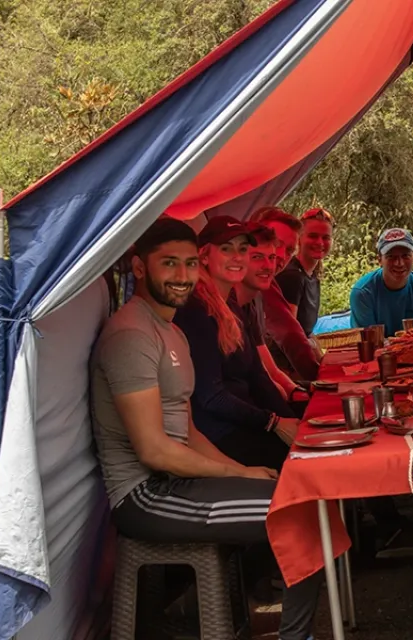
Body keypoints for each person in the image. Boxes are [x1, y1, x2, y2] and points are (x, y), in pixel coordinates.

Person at [90, 218, 320, 640]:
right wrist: (236, 471)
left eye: (190, 264)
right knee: (299, 518)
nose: (182, 275)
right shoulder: (131, 335)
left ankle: (237, 620)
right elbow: (155, 451)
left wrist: (243, 471)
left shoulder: (171, 331)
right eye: (169, 263)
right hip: (147, 496)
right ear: (139, 268)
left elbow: (189, 430)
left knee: (307, 500)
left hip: (180, 482)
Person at [173, 216, 297, 471]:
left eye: (242, 249)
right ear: (204, 256)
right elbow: (211, 397)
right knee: (305, 463)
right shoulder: (196, 309)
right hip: (219, 436)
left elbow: (257, 375)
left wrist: (293, 421)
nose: (237, 257)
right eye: (226, 249)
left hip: (247, 423)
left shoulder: (230, 303)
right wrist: (273, 422)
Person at [248, 206, 321, 382]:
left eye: (289, 250)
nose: (280, 255)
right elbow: (289, 335)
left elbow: (289, 334)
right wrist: (318, 377)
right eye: (276, 244)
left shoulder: (266, 285)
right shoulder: (285, 279)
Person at [349, 227, 413, 337]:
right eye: (391, 257)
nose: (399, 263)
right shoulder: (362, 293)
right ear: (379, 259)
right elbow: (368, 342)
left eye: (405, 256)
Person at [276, 208, 334, 337]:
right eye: (313, 236)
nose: (320, 242)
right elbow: (288, 335)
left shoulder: (313, 276)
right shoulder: (292, 277)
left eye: (326, 237)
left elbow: (306, 332)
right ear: (299, 238)